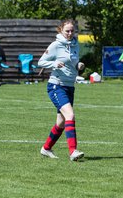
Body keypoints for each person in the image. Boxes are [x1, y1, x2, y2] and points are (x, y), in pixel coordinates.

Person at [38, 19, 85, 161]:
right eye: (67, 31)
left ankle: (46, 149)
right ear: (61, 31)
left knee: (61, 123)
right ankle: (73, 151)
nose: (70, 33)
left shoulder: (75, 45)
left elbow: (73, 63)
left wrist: (79, 65)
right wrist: (53, 63)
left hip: (70, 86)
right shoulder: (56, 45)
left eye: (72, 31)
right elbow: (41, 62)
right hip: (56, 86)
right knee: (70, 115)